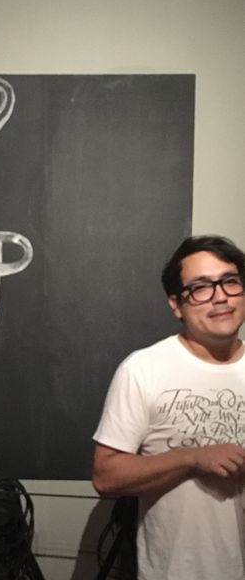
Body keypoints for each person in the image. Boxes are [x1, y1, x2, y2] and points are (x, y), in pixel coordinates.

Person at [92, 235, 245, 580]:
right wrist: (192, 458)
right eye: (201, 287)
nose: (220, 296)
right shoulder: (143, 369)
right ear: (177, 305)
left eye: (230, 281)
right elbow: (105, 476)